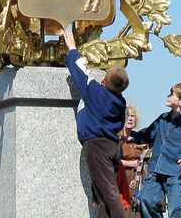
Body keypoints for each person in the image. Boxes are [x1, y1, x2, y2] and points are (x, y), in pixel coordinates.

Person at [64, 27, 129, 218]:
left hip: (97, 145)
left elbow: (80, 73)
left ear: (104, 80)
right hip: (110, 144)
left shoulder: (97, 93)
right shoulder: (120, 102)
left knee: (108, 192)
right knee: (100, 193)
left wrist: (72, 48)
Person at [128, 83, 181, 218]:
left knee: (175, 211)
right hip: (155, 171)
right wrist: (133, 136)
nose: (168, 96)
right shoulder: (162, 118)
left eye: (171, 94)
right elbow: (148, 135)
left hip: (175, 174)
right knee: (146, 200)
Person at [118, 105, 147, 217]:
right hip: (123, 178)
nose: (130, 118)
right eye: (127, 115)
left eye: (133, 116)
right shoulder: (116, 137)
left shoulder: (140, 137)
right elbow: (112, 160)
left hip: (139, 179)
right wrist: (133, 163)